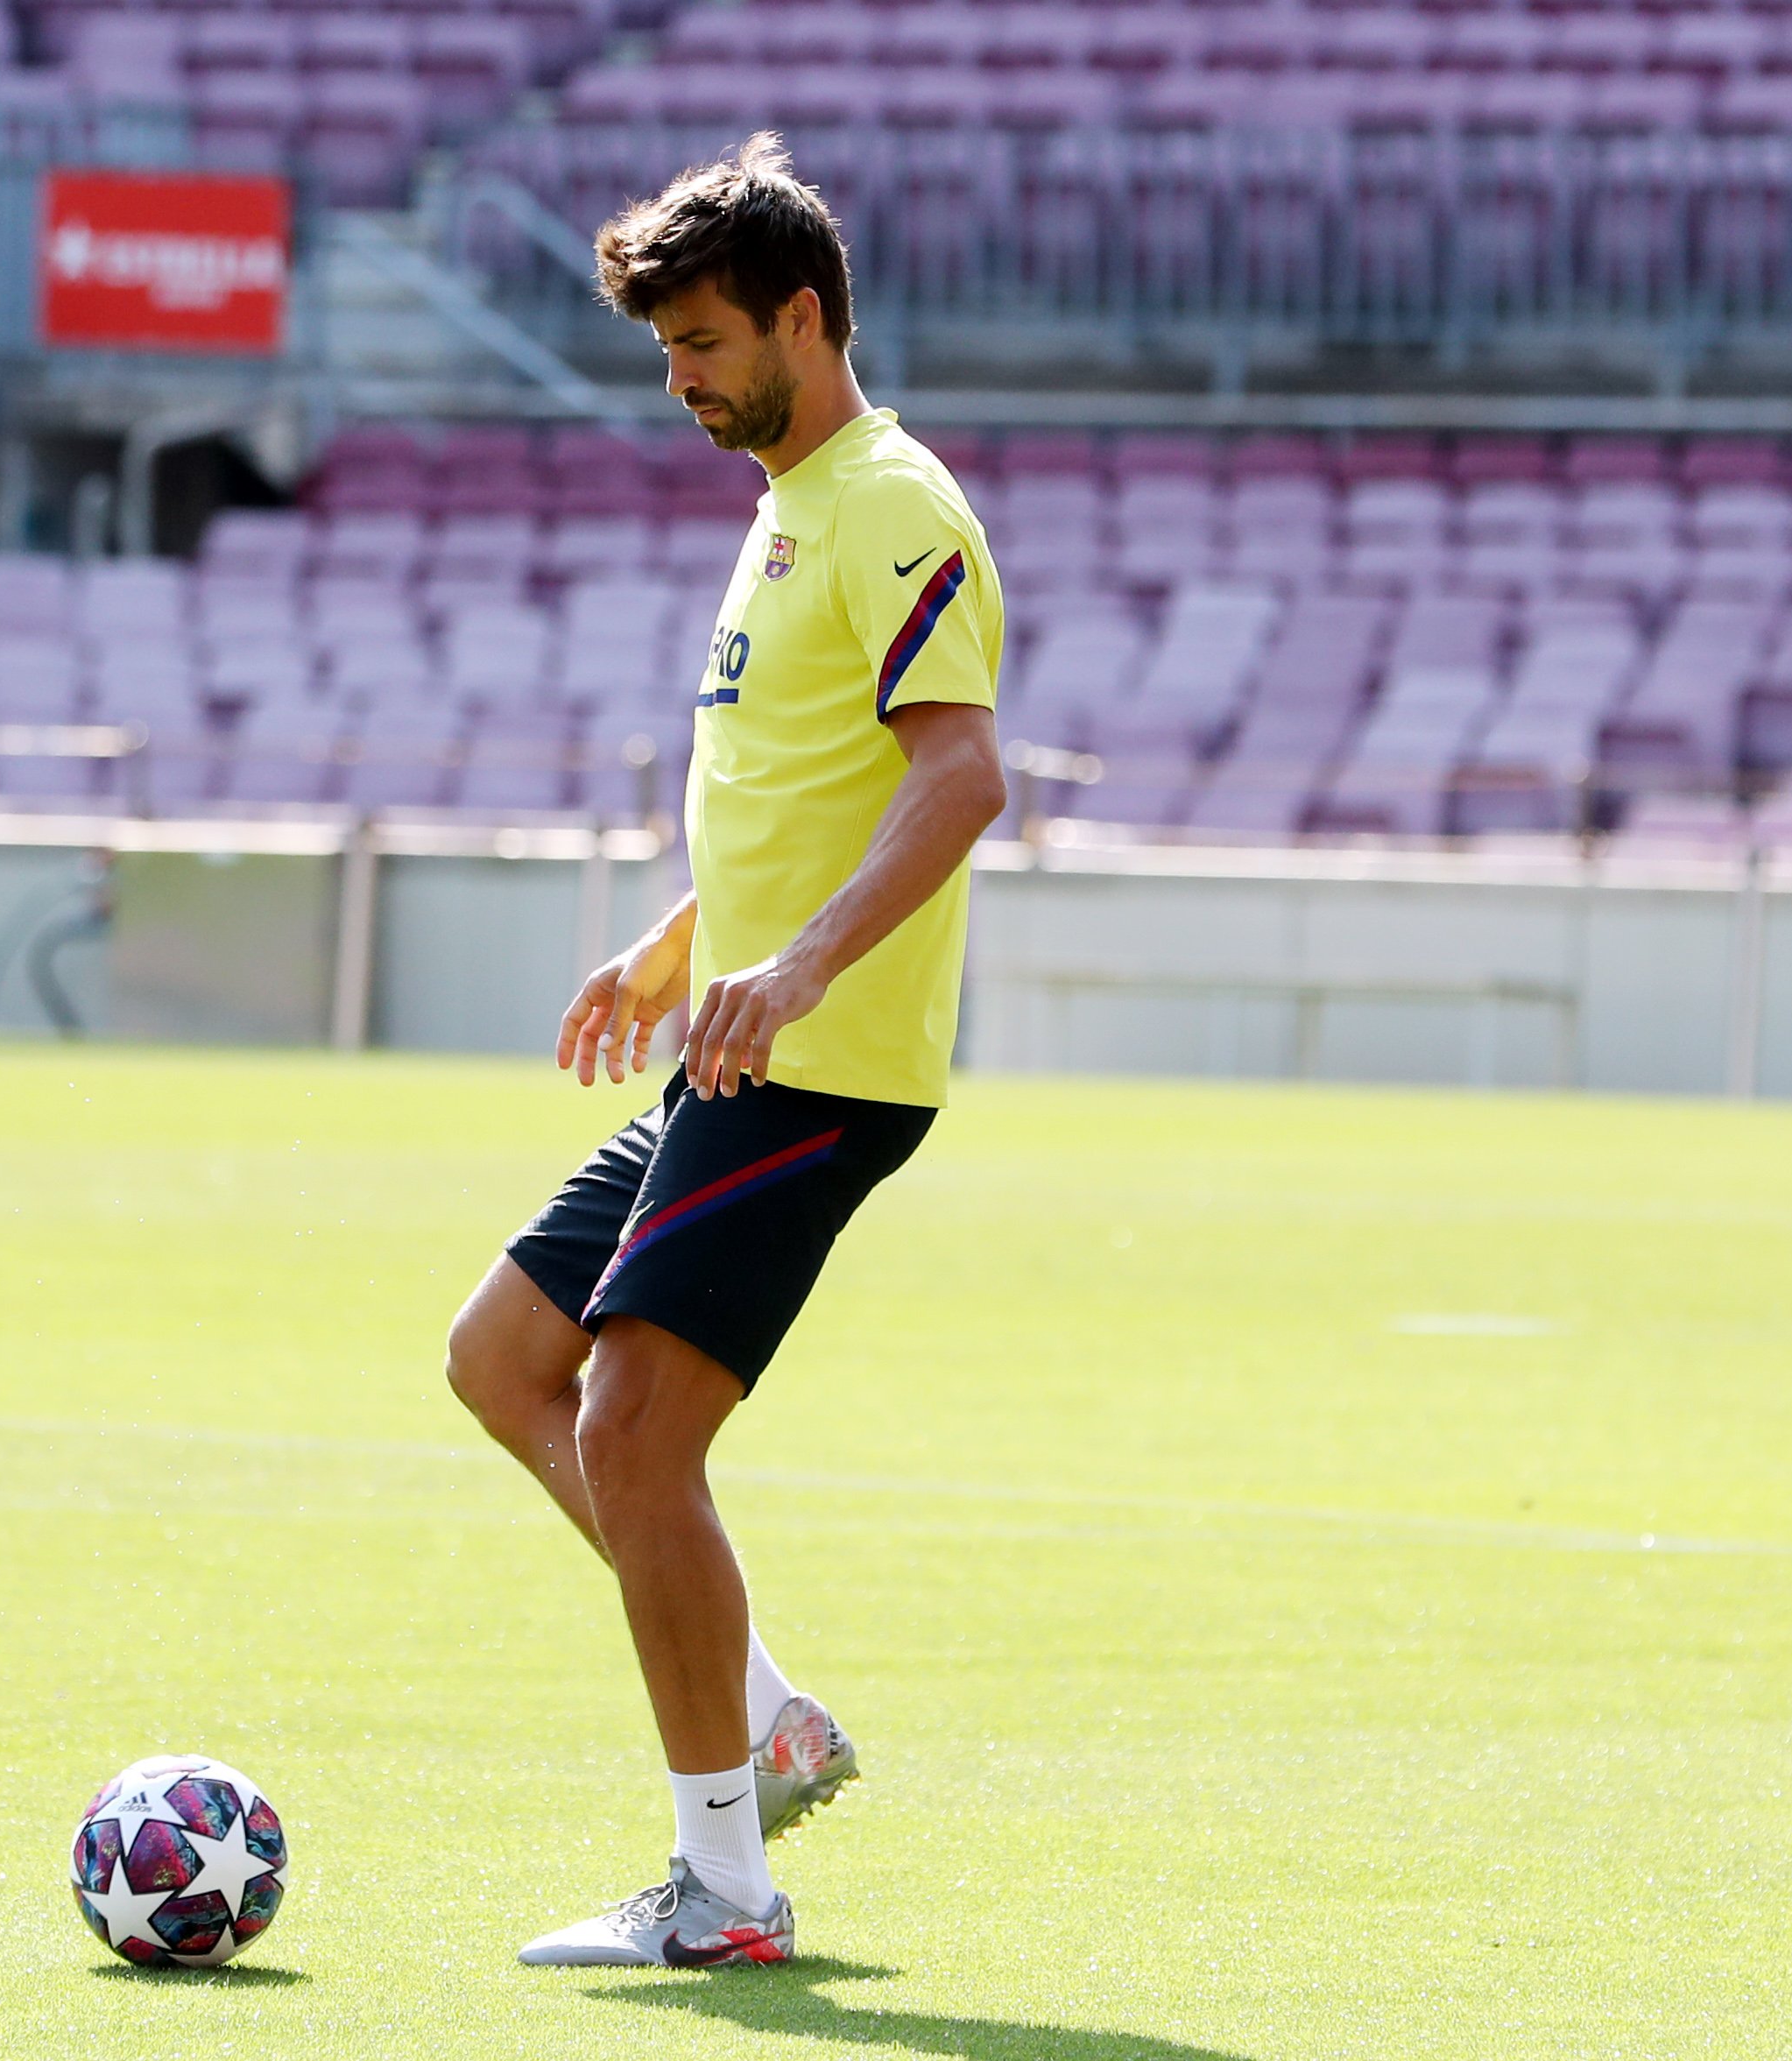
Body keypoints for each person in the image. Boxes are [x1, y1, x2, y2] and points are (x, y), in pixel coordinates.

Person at [443, 133, 1011, 1969]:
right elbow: (800, 790)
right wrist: (679, 943)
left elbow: (956, 772)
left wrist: (789, 972)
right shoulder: (783, 505)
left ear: (800, 315)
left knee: (627, 1423)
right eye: (664, 352)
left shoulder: (893, 501)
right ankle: (761, 1719)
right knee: (502, 1360)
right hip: (732, 1041)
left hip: (821, 1065)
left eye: (700, 343)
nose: (677, 381)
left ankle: (724, 1886)